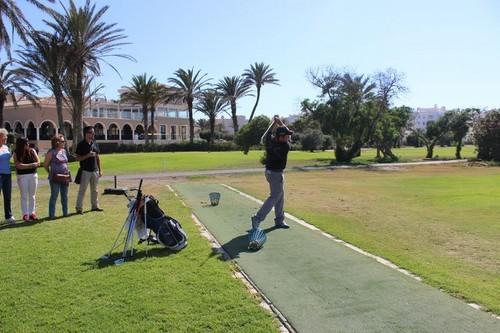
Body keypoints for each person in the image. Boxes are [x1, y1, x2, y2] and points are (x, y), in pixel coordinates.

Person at [251, 116, 293, 230]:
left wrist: (275, 124)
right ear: (281, 137)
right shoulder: (285, 146)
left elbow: (268, 133)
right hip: (276, 174)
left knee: (280, 196)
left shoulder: (271, 142)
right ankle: (258, 218)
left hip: (270, 172)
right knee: (275, 197)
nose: (288, 136)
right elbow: (288, 139)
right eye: (287, 135)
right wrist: (280, 124)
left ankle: (279, 220)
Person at [75, 126, 103, 214]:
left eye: (93, 133)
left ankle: (95, 206)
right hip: (85, 171)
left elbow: (98, 157)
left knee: (95, 190)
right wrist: (87, 155)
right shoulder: (81, 145)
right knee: (82, 190)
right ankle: (79, 208)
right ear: (86, 134)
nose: (92, 135)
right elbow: (77, 158)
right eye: (91, 132)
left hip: (95, 170)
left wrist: (100, 169)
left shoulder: (95, 143)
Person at [13, 137, 40, 221]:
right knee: (24, 195)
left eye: (27, 143)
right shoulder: (16, 153)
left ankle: (32, 213)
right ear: (21, 144)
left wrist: (26, 166)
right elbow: (18, 166)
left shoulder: (32, 151)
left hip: (33, 175)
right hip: (22, 176)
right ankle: (25, 214)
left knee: (32, 195)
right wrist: (32, 165)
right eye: (26, 143)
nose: (28, 144)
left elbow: (38, 162)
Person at [45, 134, 70, 219]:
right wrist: (51, 173)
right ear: (57, 142)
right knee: (54, 196)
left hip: (65, 177)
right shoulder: (51, 152)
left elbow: (66, 163)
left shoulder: (64, 151)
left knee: (65, 196)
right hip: (55, 178)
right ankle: (52, 215)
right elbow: (45, 165)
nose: (64, 143)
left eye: (64, 141)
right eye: (62, 141)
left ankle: (65, 213)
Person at [0, 128, 15, 223]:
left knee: (7, 196)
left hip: (7, 175)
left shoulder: (6, 147)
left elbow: (8, 158)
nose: (6, 139)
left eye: (6, 137)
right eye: (4, 137)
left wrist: (12, 153)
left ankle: (8, 216)